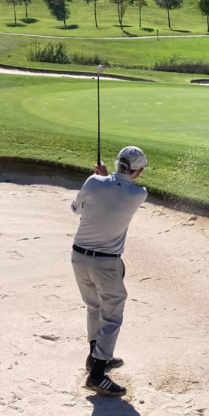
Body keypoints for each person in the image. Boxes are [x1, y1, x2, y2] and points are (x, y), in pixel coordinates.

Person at [70, 146, 148, 396]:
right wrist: (106, 179)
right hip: (106, 263)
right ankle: (97, 374)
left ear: (117, 162)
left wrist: (100, 178)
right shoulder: (139, 194)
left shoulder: (94, 182)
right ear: (139, 172)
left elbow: (76, 209)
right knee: (112, 315)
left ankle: (94, 356)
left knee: (93, 306)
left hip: (78, 257)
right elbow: (119, 189)